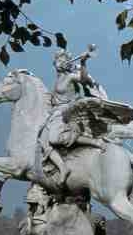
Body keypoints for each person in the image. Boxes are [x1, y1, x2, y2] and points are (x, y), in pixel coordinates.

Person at [39, 49, 107, 185]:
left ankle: (93, 142)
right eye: (58, 60)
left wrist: (83, 62)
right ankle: (62, 168)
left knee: (53, 138)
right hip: (55, 114)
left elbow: (84, 79)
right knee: (43, 139)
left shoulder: (70, 77)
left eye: (63, 60)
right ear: (54, 63)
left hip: (66, 113)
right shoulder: (58, 80)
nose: (61, 62)